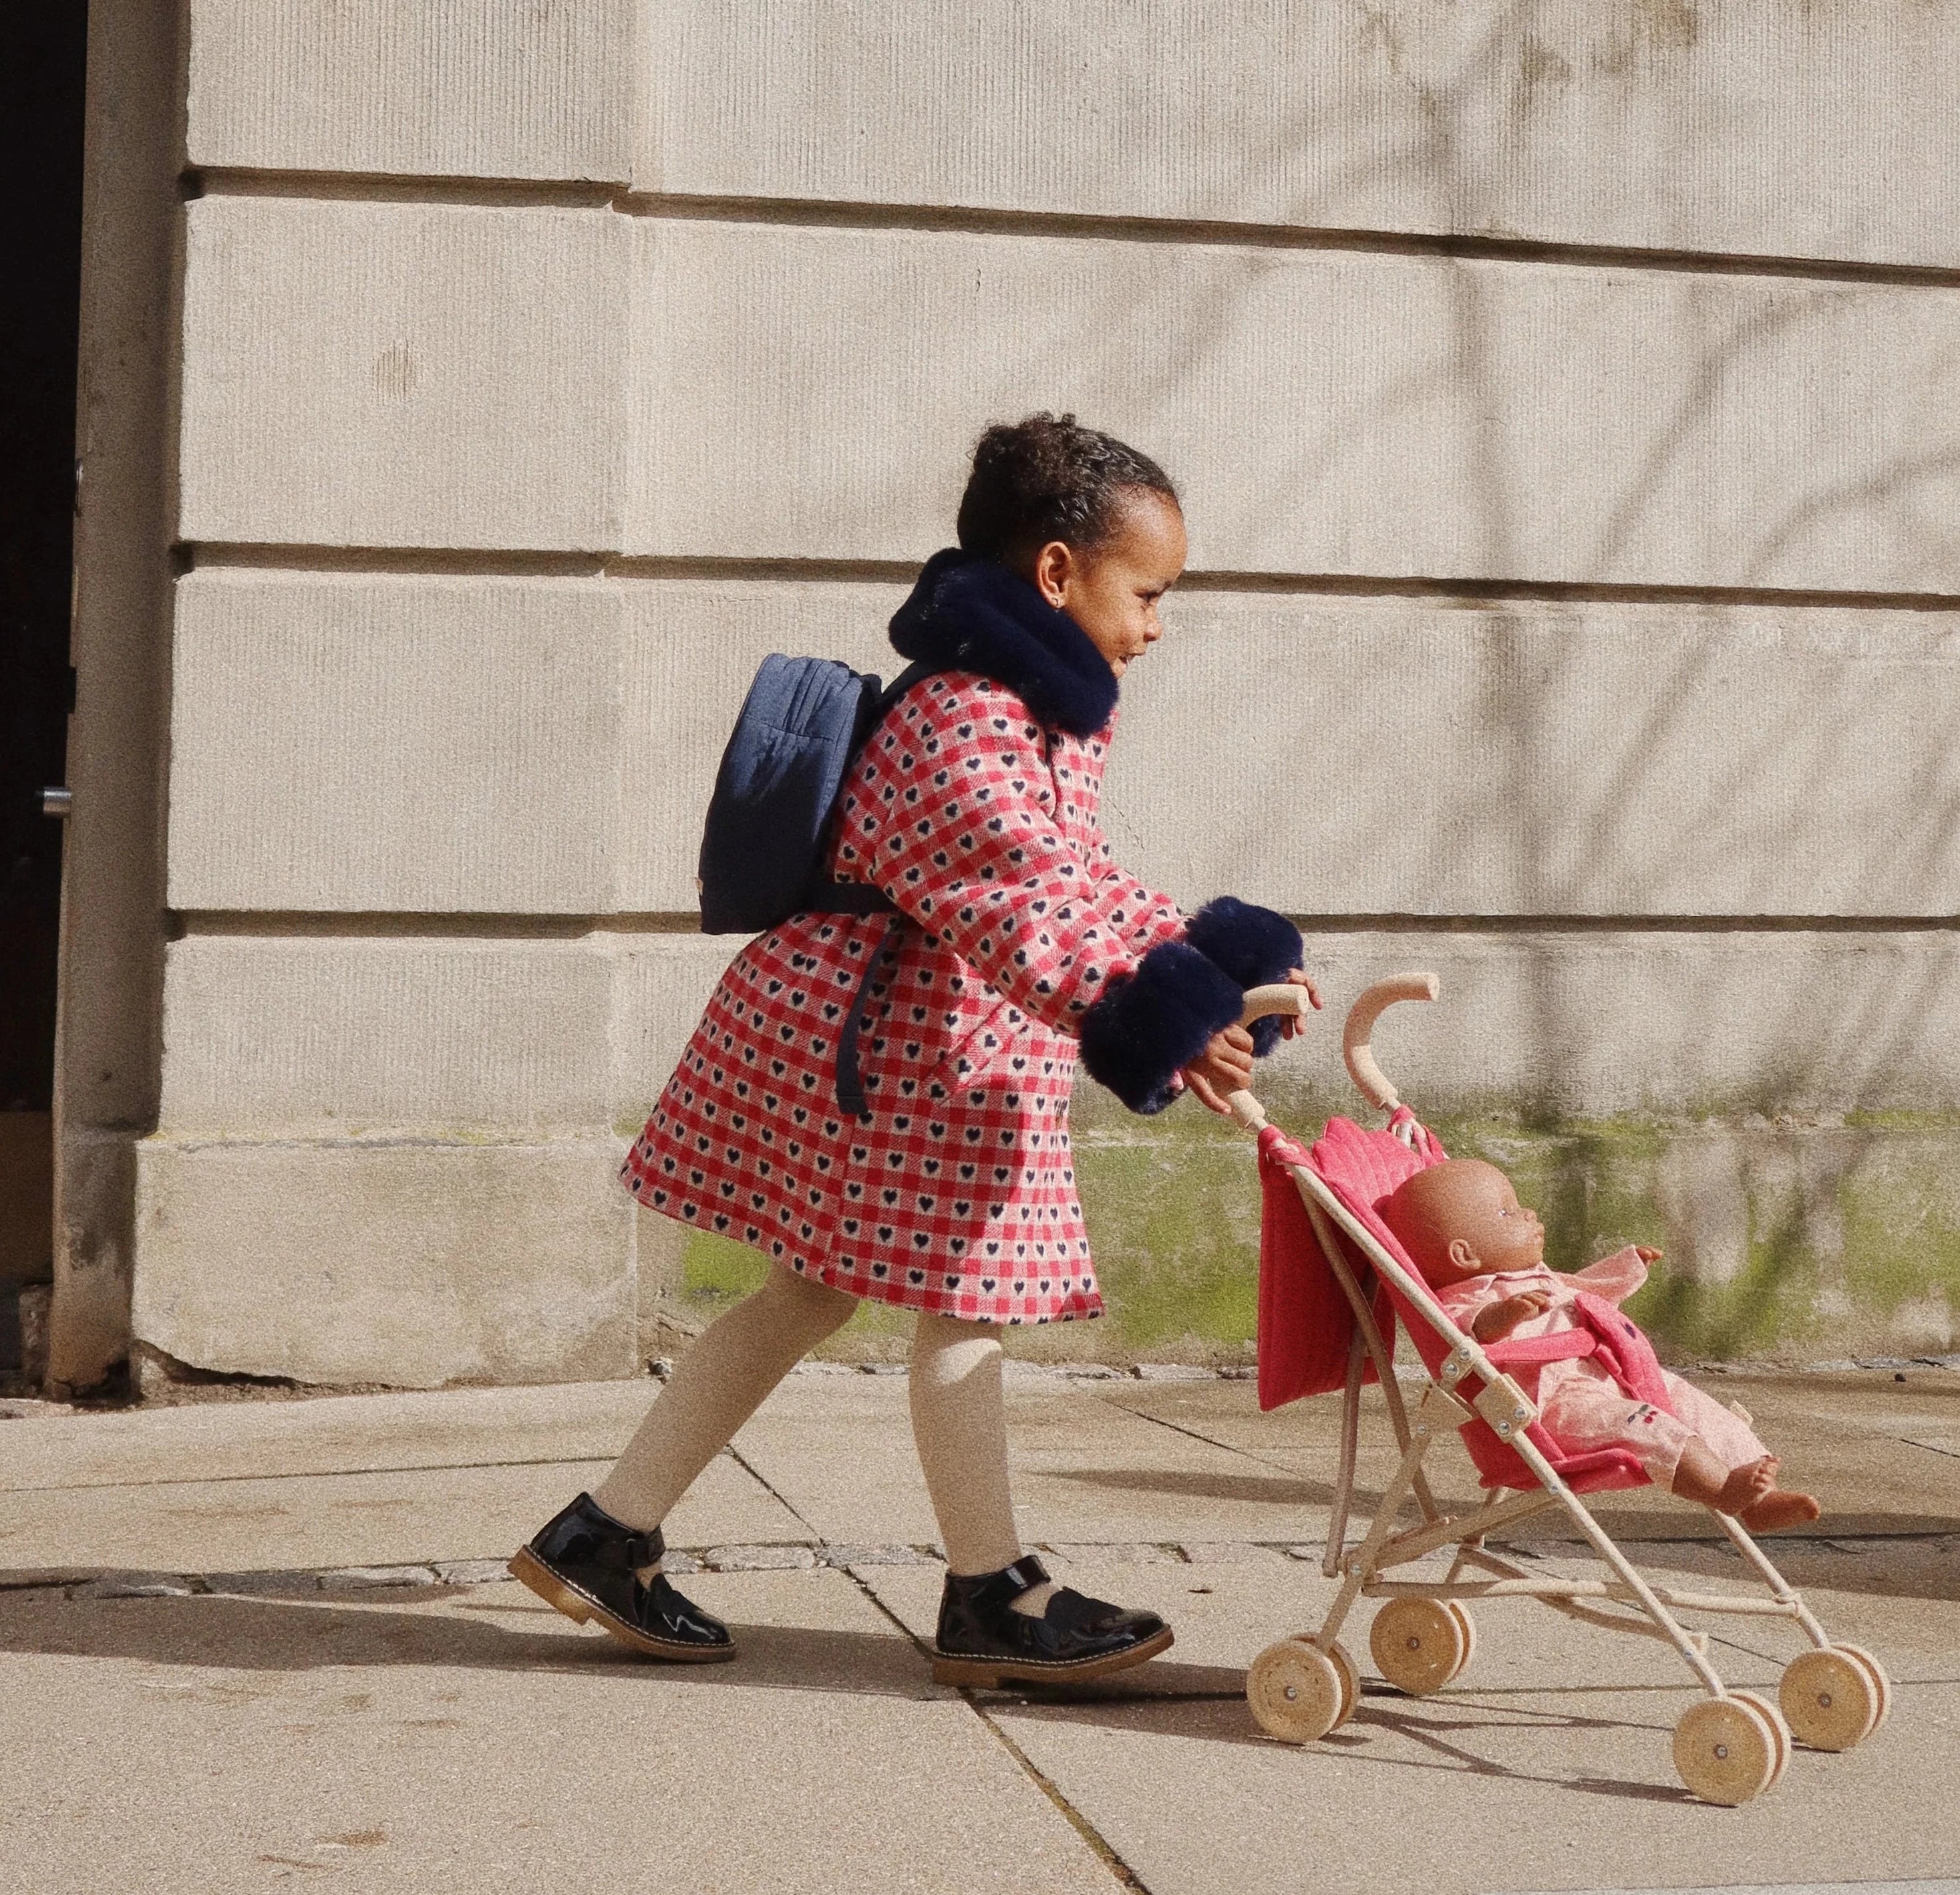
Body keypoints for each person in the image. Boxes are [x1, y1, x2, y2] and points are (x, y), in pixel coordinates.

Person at [512, 414, 1317, 1687]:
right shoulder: (963, 721)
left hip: (919, 1044)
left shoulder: (1029, 715)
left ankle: (607, 1531)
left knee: (813, 1290)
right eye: (1146, 593)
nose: (1157, 624)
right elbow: (1015, 900)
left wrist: (1210, 961)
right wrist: (1162, 1007)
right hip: (884, 1049)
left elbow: (1072, 883)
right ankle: (988, 1592)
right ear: (1055, 573)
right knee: (960, 1298)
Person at [1379, 1158, 1820, 1533]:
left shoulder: (1536, 1277)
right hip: (1559, 1408)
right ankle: (1724, 1491)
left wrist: (1627, 1267)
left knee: (1694, 1404)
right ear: (1464, 1255)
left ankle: (1759, 1499)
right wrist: (1506, 1315)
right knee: (1647, 1424)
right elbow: (1468, 1333)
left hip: (1612, 1376)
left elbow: (1583, 1292)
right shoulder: (1468, 1296)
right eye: (1507, 1214)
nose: (1529, 1213)